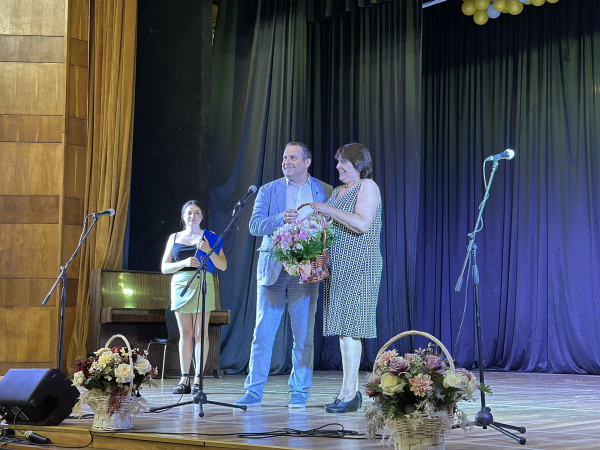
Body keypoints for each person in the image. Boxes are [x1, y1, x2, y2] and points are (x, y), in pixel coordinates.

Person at [234, 142, 333, 408]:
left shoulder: (324, 190)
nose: (286, 162)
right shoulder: (269, 190)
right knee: (263, 335)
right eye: (284, 157)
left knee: (303, 338)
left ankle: (299, 391)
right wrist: (280, 218)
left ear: (307, 162)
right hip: (273, 272)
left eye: (293, 157)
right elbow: (254, 226)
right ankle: (253, 391)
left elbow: (331, 228)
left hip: (306, 273)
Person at [311, 142, 383, 413]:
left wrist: (326, 209)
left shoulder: (367, 186)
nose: (338, 166)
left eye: (343, 162)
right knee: (344, 331)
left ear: (358, 164)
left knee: (351, 330)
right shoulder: (338, 191)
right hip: (338, 267)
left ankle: (350, 394)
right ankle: (347, 392)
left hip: (360, 265)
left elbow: (362, 223)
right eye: (337, 161)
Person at [161, 200, 227, 395]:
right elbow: (164, 267)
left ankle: (198, 377)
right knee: (185, 333)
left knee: (200, 332)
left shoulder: (210, 237)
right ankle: (184, 378)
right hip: (181, 284)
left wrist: (208, 250)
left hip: (203, 282)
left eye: (197, 212)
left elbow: (223, 265)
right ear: (183, 216)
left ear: (202, 216)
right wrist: (183, 263)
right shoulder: (174, 237)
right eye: (189, 213)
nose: (193, 216)